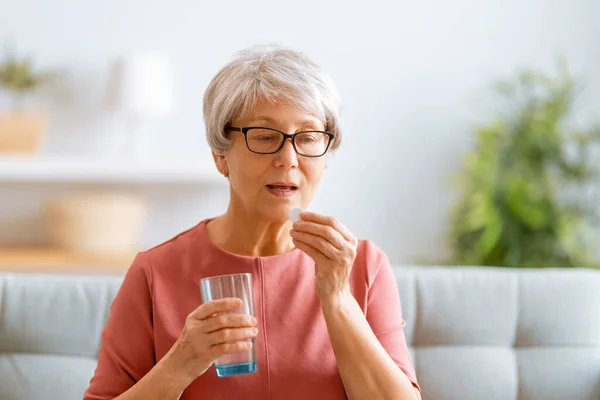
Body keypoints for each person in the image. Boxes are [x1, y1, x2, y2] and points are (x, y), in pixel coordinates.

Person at [84, 44, 421, 400]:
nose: (288, 158)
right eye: (264, 137)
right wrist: (178, 365)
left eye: (307, 138)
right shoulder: (155, 272)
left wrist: (337, 298)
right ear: (220, 155)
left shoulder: (363, 265)